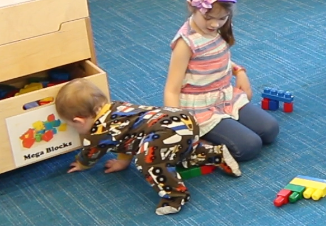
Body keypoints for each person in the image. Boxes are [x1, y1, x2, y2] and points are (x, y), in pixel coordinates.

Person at [59, 78, 241, 215]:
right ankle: (215, 154)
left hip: (165, 129)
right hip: (182, 118)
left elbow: (90, 154)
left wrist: (82, 163)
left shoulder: (96, 134)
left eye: (72, 126)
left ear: (79, 121)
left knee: (149, 160)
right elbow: (125, 140)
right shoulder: (116, 107)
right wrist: (122, 162)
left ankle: (175, 195)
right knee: (181, 152)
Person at [164, 0, 279, 162]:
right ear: (191, 6)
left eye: (222, 18)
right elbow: (171, 89)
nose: (215, 24)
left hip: (224, 97)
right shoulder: (185, 43)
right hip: (199, 108)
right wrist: (179, 128)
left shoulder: (220, 26)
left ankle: (224, 128)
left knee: (270, 130)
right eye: (208, 17)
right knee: (249, 146)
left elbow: (216, 59)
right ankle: (201, 144)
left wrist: (239, 72)